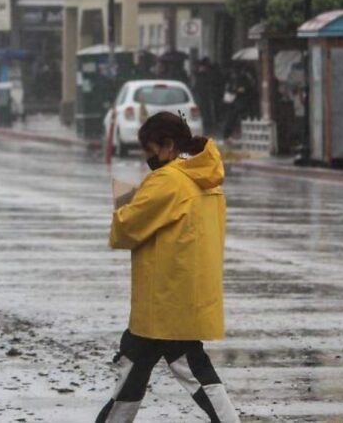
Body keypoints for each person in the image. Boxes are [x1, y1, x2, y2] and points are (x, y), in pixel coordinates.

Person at [98, 112, 239, 423]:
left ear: (169, 145)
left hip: (166, 299)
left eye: (151, 151)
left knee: (193, 369)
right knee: (133, 366)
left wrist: (124, 199)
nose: (149, 159)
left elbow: (126, 227)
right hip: (181, 294)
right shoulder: (205, 178)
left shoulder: (169, 180)